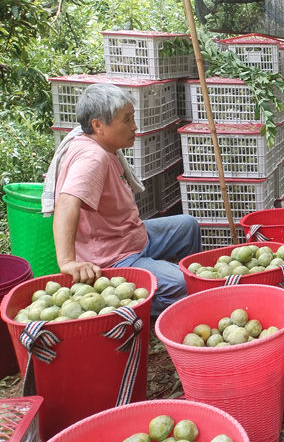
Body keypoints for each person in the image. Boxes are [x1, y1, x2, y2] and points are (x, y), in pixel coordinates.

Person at [48, 83, 201, 317]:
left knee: (187, 226)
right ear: (98, 125)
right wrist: (67, 261)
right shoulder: (93, 158)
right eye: (127, 120)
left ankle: (176, 285)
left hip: (130, 236)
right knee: (182, 283)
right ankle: (128, 305)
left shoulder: (98, 146)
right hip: (112, 256)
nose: (135, 127)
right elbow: (67, 202)